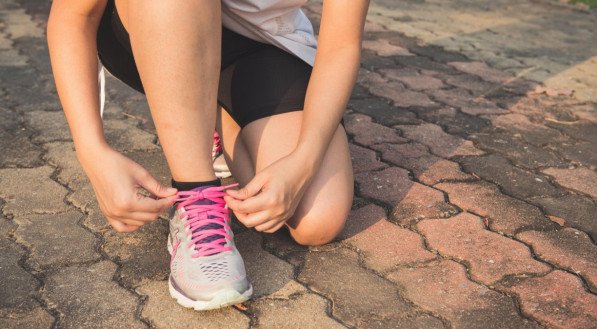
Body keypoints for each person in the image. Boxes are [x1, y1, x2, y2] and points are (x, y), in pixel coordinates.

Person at [47, 0, 369, 310]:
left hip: (262, 41)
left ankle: (206, 116)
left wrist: (304, 161)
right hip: (154, 20)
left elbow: (342, 44)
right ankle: (196, 195)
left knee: (316, 219)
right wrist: (92, 151)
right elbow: (74, 16)